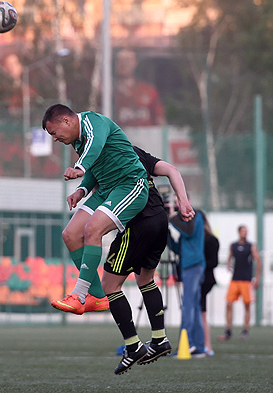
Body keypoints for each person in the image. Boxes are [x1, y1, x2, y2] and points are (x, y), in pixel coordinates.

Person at [61, 145, 195, 374]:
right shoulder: (133, 152)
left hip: (138, 224)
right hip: (159, 220)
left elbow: (100, 186)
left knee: (109, 286)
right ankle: (160, 339)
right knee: (145, 280)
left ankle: (133, 345)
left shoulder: (106, 157)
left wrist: (82, 188)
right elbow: (172, 170)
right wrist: (183, 201)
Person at [42, 104, 148, 325]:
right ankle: (98, 297)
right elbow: (94, 164)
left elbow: (95, 145)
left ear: (66, 121)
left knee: (92, 229)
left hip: (130, 185)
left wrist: (79, 167)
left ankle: (79, 295)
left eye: (54, 133)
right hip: (106, 188)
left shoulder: (93, 123)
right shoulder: (77, 140)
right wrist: (81, 190)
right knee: (70, 234)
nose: (54, 138)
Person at [168, 199, 210, 357]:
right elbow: (178, 247)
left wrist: (172, 218)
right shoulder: (184, 222)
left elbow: (189, 231)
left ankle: (188, 343)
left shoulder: (196, 216)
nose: (176, 206)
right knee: (195, 306)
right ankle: (198, 346)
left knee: (188, 305)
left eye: (178, 201)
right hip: (189, 265)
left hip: (193, 265)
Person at [218, 225, 262, 341]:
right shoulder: (233, 246)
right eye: (243, 231)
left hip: (246, 281)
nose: (245, 233)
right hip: (235, 279)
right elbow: (229, 258)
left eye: (246, 231)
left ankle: (245, 330)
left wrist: (257, 278)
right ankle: (228, 330)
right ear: (239, 232)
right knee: (229, 303)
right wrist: (228, 265)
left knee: (247, 305)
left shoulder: (251, 246)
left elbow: (258, 261)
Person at [114, 48, 165, 127]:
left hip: (145, 133)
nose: (124, 64)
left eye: (128, 60)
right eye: (120, 60)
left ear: (135, 62)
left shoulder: (148, 90)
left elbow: (160, 119)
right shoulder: (109, 92)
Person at [201, 222, 219, 356]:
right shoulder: (198, 239)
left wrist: (199, 263)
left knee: (201, 312)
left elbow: (214, 262)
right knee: (200, 312)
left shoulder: (211, 240)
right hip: (202, 278)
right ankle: (205, 344)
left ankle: (207, 345)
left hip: (205, 279)